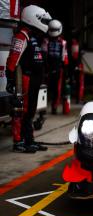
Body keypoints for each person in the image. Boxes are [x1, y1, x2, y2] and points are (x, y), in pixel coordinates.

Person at [6, 5, 51, 153]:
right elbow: (13, 58)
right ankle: (18, 142)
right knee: (22, 110)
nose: (45, 23)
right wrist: (11, 80)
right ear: (33, 18)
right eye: (42, 20)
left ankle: (29, 139)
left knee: (31, 111)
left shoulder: (34, 36)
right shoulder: (22, 35)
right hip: (25, 78)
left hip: (35, 78)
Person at [43, 20, 69, 114]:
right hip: (48, 67)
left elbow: (64, 57)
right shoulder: (46, 41)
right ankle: (43, 107)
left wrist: (65, 70)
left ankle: (54, 107)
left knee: (57, 89)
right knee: (45, 88)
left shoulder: (63, 42)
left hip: (58, 68)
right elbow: (44, 54)